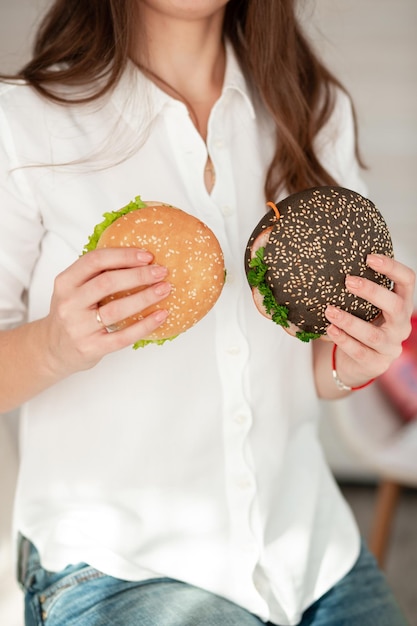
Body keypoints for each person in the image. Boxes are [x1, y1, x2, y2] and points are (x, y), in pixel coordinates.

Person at [0, 1, 414, 625]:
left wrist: (357, 361)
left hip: (309, 554)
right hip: (118, 567)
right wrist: (56, 344)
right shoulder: (24, 121)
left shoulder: (315, 110)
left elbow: (307, 377)